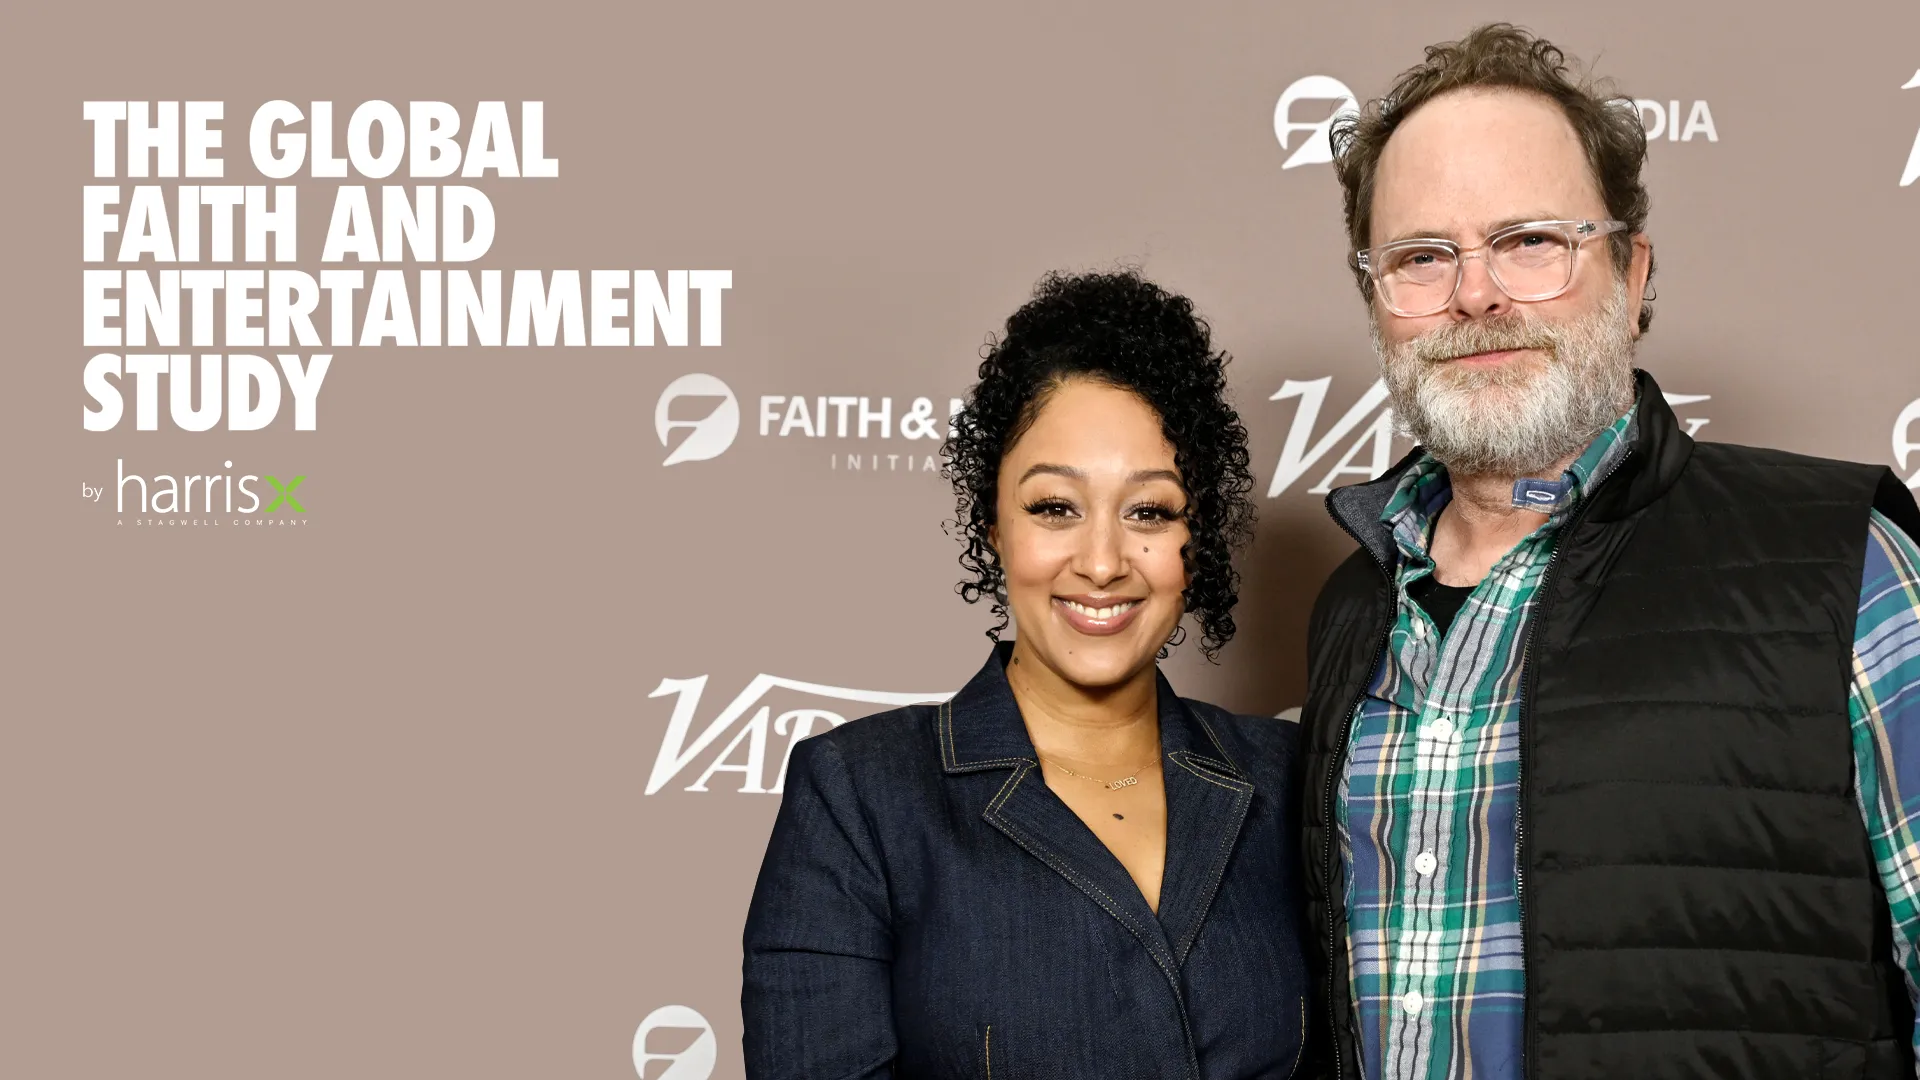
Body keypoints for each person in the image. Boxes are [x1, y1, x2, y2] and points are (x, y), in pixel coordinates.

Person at [1297, 24, 1920, 1080]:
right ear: (1378, 304)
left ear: (1632, 275)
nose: (1477, 294)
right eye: (1422, 257)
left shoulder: (1846, 567)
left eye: (1531, 241)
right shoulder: (1354, 606)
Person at [742, 270, 1310, 1078]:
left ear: (1198, 541)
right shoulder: (861, 794)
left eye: (1149, 512)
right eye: (1055, 508)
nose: (1103, 563)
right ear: (995, 526)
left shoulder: (1290, 780)